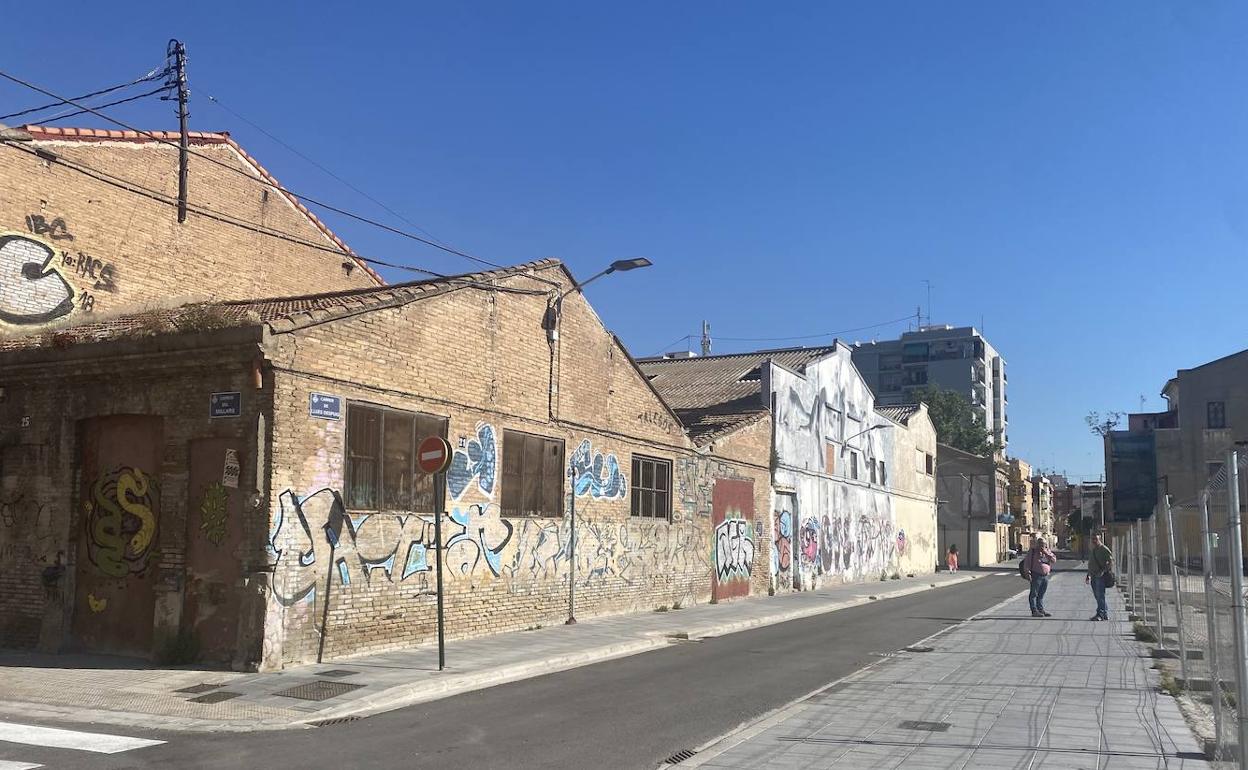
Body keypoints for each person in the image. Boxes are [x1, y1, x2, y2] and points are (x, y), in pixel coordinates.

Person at [1023, 537, 1056, 617]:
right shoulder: (1033, 551)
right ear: (1037, 544)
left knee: (1041, 594)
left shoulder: (1047, 551)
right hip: (1036, 575)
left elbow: (1053, 560)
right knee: (1034, 593)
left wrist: (1045, 552)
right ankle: (1034, 611)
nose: (1042, 545)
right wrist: (1028, 573)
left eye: (1043, 544)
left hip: (1045, 576)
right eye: (1040, 543)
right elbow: (1027, 562)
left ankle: (1040, 610)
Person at [1085, 533, 1114, 621]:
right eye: (1093, 539)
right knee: (1097, 595)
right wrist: (1088, 575)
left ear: (1100, 539)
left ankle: (1100, 614)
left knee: (1100, 595)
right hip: (1093, 575)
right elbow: (1091, 563)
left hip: (1100, 576)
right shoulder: (1093, 550)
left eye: (1096, 539)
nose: (1094, 541)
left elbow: (1111, 561)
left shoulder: (1104, 549)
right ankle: (1104, 613)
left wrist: (1103, 571)